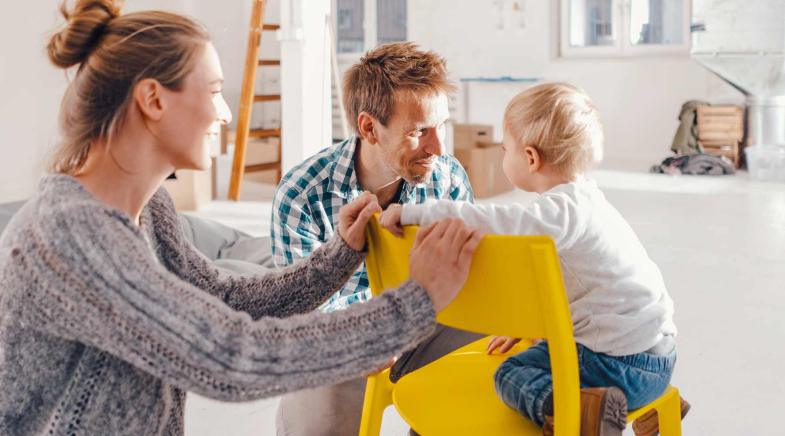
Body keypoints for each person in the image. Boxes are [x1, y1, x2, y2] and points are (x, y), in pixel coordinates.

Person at [0, 2, 481, 435]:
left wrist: (341, 254)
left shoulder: (149, 210)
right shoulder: (74, 234)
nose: (226, 113)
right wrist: (416, 302)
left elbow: (228, 298)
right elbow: (233, 355)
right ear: (153, 100)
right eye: (212, 90)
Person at [380, 82, 688, 436]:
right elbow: (577, 289)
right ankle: (640, 403)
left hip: (621, 364)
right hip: (657, 355)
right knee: (544, 348)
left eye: (504, 149)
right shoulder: (587, 200)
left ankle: (588, 412)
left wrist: (420, 213)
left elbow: (499, 223)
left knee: (512, 375)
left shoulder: (557, 211)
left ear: (530, 158)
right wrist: (527, 326)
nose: (503, 156)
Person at [271, 42, 482, 435]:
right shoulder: (301, 195)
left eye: (442, 128)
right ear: (369, 127)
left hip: (427, 320)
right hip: (344, 337)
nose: (438, 148)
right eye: (419, 132)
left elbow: (471, 281)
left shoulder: (447, 176)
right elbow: (304, 317)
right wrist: (374, 331)